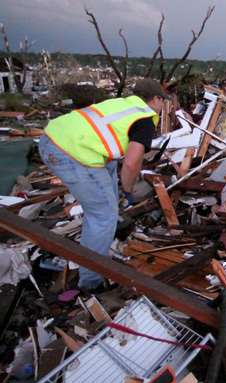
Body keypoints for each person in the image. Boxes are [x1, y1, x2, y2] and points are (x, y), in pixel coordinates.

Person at [38, 78, 171, 290]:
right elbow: (130, 165)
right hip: (69, 154)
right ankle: (91, 281)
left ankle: (112, 221)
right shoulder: (145, 118)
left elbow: (111, 147)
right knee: (102, 216)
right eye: (162, 101)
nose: (163, 106)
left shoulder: (121, 104)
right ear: (155, 99)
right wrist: (127, 190)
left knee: (108, 170)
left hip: (51, 138)